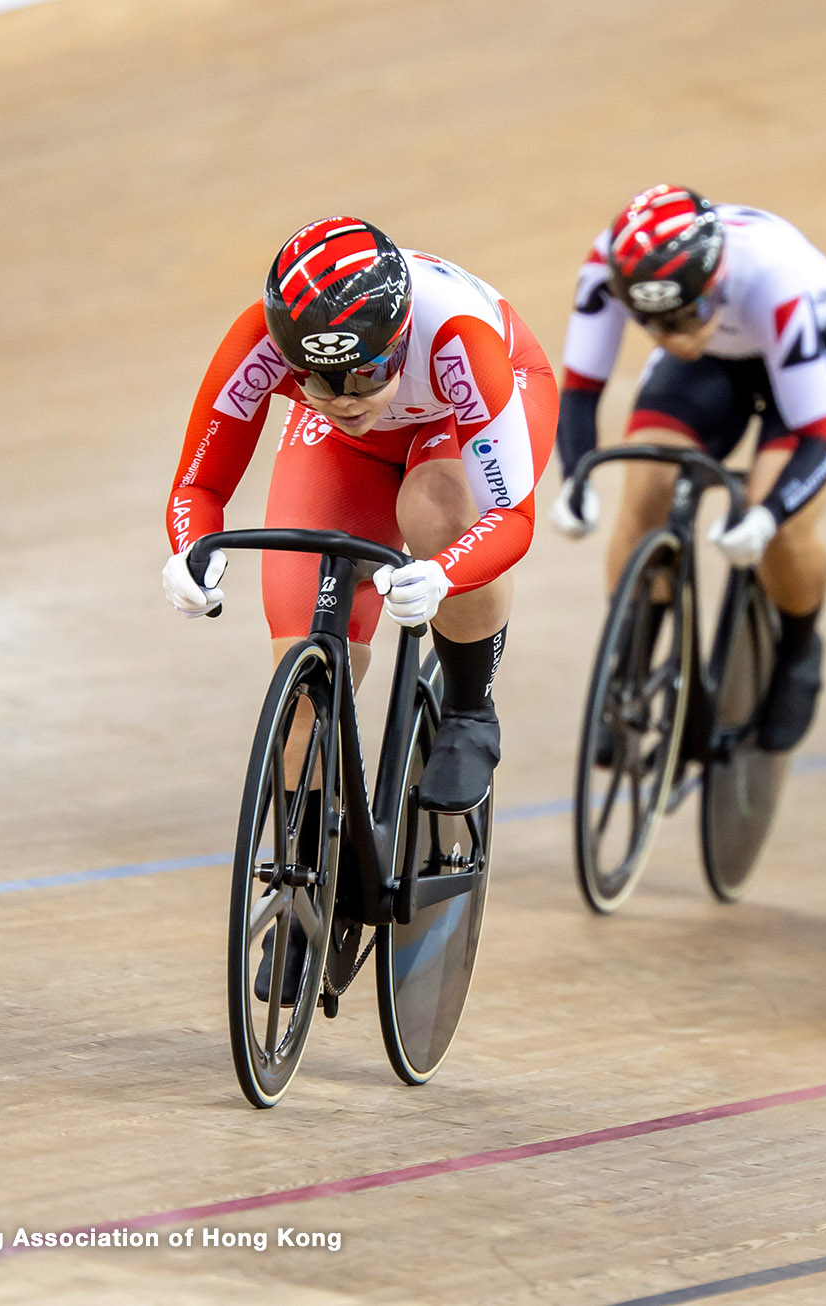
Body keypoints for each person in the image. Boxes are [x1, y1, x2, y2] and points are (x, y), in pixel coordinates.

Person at [159, 218, 555, 993]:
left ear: (399, 337)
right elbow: (200, 485)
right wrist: (190, 550)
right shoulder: (266, 343)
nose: (346, 398)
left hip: (462, 416)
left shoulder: (457, 340)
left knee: (435, 510)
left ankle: (470, 708)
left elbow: (510, 519)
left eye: (368, 373)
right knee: (301, 670)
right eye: (319, 379)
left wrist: (444, 571)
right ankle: (304, 887)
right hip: (349, 457)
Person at [549, 185, 826, 752]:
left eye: (687, 315)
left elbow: (820, 437)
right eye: (654, 324)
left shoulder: (768, 278)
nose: (674, 336)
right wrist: (575, 480)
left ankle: (799, 651)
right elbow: (578, 391)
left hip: (817, 344)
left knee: (785, 529)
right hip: (719, 359)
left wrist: (770, 515)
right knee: (646, 488)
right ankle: (629, 666)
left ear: (716, 280)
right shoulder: (610, 263)